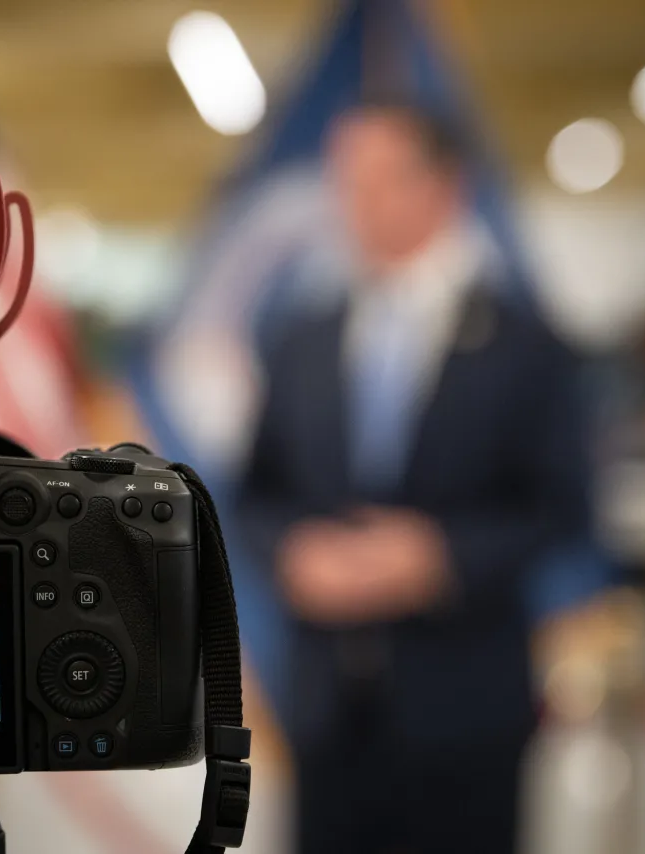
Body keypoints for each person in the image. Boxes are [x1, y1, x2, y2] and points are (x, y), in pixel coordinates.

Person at [236, 98, 591, 854]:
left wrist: (441, 558)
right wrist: (293, 554)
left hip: (466, 706)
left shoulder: (529, 344)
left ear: (443, 186)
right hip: (324, 706)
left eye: (379, 178)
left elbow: (565, 506)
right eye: (344, 180)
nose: (355, 201)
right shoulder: (302, 337)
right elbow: (255, 491)